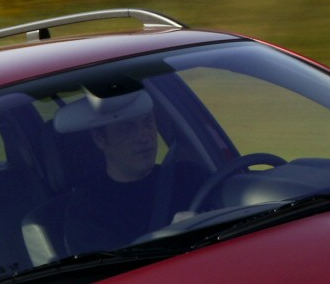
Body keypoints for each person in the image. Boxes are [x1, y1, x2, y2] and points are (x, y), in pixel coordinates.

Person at [26, 86, 200, 259]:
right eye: (127, 128)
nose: (144, 136)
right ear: (100, 139)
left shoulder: (187, 174)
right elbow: (109, 274)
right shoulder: (86, 211)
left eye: (148, 123)